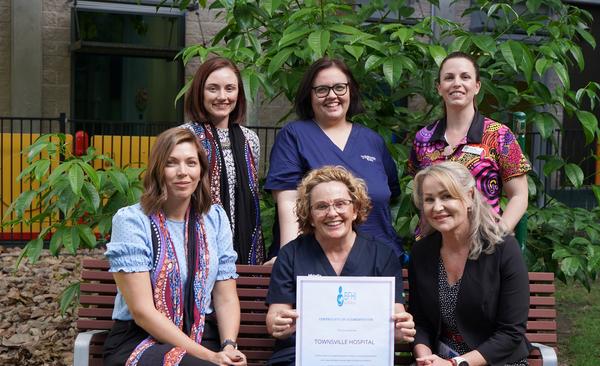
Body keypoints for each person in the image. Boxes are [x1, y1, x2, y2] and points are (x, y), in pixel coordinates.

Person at [103, 128, 247, 366]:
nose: (183, 172)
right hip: (140, 339)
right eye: (172, 163)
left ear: (201, 171)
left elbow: (225, 297)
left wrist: (228, 346)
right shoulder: (131, 221)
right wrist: (210, 357)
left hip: (202, 335)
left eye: (191, 163)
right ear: (158, 170)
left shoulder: (215, 218)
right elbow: (142, 312)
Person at [265, 166, 415, 365]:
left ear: (355, 209)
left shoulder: (382, 255)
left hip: (364, 356)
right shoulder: (291, 254)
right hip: (301, 356)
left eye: (341, 204)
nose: (332, 213)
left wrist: (399, 329)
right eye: (321, 206)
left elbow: (397, 315)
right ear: (309, 215)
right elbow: (275, 315)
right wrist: (279, 324)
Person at [264, 57, 402, 262]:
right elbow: (289, 202)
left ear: (351, 91)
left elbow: (390, 196)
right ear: (309, 95)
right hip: (316, 262)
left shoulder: (372, 140)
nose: (332, 95)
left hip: (379, 263)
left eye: (339, 87)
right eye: (322, 89)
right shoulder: (294, 135)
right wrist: (290, 258)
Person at [409, 161, 530, 366]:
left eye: (447, 196)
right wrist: (425, 359)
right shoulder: (422, 253)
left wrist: (455, 364)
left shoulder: (502, 249)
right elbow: (420, 322)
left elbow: (510, 333)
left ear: (470, 197)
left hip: (495, 361)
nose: (437, 207)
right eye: (429, 199)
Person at [408, 51, 530, 234]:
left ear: (477, 86)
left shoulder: (499, 135)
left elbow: (519, 195)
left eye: (465, 77)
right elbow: (421, 195)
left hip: (482, 248)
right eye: (449, 78)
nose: (457, 83)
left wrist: (497, 237)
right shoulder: (422, 138)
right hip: (433, 247)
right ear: (439, 87)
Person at [182, 57, 264, 265]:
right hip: (195, 242)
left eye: (230, 88)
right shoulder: (185, 136)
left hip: (242, 243)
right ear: (200, 91)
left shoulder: (249, 140)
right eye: (213, 88)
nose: (222, 96)